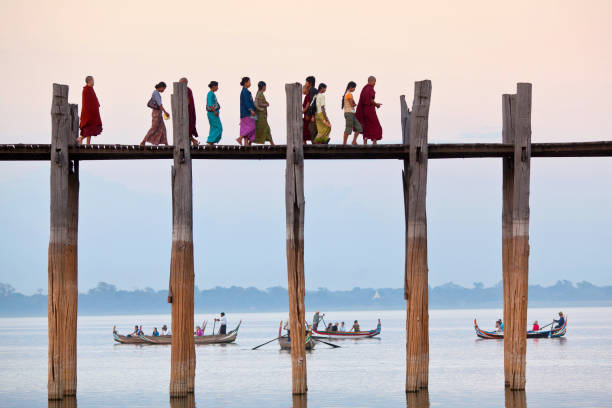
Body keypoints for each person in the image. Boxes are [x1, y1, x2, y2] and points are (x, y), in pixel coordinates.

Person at [355, 76, 383, 144]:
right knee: (376, 126)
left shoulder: (364, 88)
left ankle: (365, 143)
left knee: (366, 125)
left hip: (364, 110)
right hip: (369, 110)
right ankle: (374, 142)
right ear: (371, 81)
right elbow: (371, 100)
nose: (375, 83)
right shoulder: (370, 89)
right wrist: (376, 105)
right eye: (374, 82)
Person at [141, 82, 169, 146]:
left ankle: (166, 143)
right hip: (156, 113)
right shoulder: (156, 93)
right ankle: (143, 141)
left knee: (163, 128)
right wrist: (165, 112)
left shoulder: (157, 93)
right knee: (154, 128)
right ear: (161, 87)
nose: (163, 90)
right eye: (163, 89)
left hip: (158, 113)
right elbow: (160, 104)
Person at [77, 75, 102, 145]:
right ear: (90, 81)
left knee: (90, 129)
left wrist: (96, 104)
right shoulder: (86, 90)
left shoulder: (90, 89)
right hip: (88, 113)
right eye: (93, 80)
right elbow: (86, 103)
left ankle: (87, 143)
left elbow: (93, 100)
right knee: (88, 129)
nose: (94, 82)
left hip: (92, 113)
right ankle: (81, 139)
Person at [179, 77, 199, 146]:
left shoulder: (186, 90)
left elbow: (188, 101)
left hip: (188, 111)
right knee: (185, 127)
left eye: (180, 83)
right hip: (187, 111)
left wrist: (183, 109)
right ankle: (193, 141)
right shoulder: (184, 89)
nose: (179, 84)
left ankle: (193, 141)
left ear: (184, 83)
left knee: (187, 126)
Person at [236, 77, 256, 146]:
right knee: (252, 126)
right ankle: (240, 138)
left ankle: (246, 143)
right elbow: (247, 102)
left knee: (246, 127)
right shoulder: (244, 91)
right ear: (245, 83)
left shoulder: (246, 91)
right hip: (247, 113)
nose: (250, 83)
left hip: (247, 113)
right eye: (249, 82)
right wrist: (251, 110)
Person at [302, 76, 317, 143]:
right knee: (309, 131)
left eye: (306, 82)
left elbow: (312, 104)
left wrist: (312, 115)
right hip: (309, 115)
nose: (305, 83)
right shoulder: (312, 90)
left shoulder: (312, 91)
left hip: (310, 115)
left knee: (311, 131)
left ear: (310, 83)